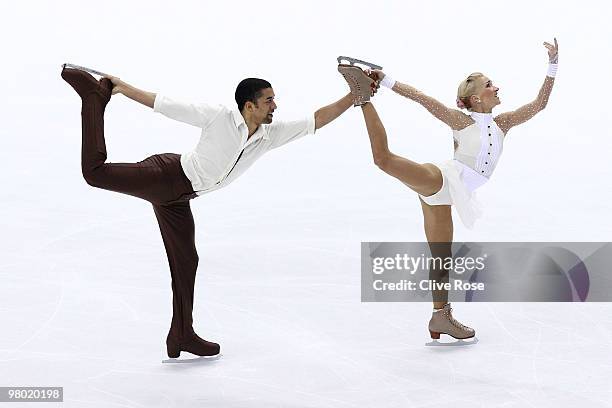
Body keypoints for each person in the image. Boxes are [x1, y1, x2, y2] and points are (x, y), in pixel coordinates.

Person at [61, 66, 367, 358]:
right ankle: (92, 98)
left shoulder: (268, 135)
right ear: (250, 106)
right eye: (269, 100)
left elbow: (316, 120)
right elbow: (164, 104)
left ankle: (182, 333)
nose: (275, 105)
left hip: (180, 198)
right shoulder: (218, 117)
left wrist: (354, 95)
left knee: (187, 261)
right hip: (165, 176)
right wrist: (122, 88)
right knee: (95, 173)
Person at [341, 39, 559, 341]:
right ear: (475, 99)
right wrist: (385, 78)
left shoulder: (503, 123)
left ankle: (440, 317)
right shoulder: (461, 120)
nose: (496, 88)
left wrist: (553, 65)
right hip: (444, 179)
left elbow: (539, 105)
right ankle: (363, 97)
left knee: (441, 257)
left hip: (450, 196)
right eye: (489, 85)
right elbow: (422, 98)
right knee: (384, 160)